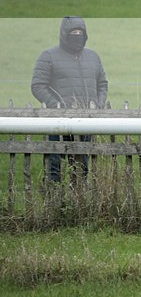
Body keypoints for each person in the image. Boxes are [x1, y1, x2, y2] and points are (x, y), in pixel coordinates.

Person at [31, 16, 108, 184]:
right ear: (64, 34)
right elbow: (38, 85)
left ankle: (78, 196)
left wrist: (99, 105)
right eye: (73, 32)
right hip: (57, 122)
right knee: (55, 166)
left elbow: (102, 84)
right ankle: (54, 196)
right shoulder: (48, 56)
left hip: (85, 121)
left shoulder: (93, 57)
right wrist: (56, 105)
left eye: (80, 32)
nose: (77, 36)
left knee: (82, 167)